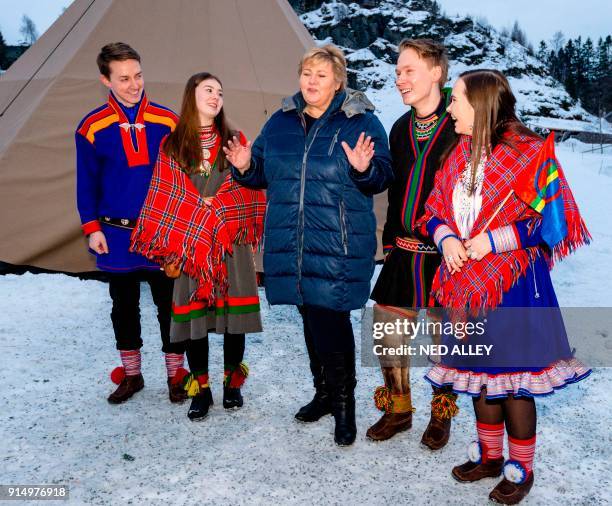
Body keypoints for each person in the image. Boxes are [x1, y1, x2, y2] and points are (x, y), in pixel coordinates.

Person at [418, 69, 591, 504]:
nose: (449, 106)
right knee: (479, 374)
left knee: (514, 381)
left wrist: (493, 240)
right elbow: (434, 208)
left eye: (455, 99)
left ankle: (522, 467)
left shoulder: (530, 155)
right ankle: (491, 457)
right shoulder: (456, 154)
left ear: (479, 105)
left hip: (513, 286)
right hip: (465, 288)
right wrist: (447, 238)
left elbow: (551, 222)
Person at [224, 44, 393, 446]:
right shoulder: (281, 122)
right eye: (306, 73)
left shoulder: (361, 121)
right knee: (310, 316)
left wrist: (365, 168)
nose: (312, 81)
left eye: (321, 74)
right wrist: (246, 165)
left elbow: (383, 175)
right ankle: (323, 393)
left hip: (337, 239)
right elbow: (262, 173)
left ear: (338, 80)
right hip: (292, 238)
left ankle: (344, 404)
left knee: (330, 319)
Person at [135, 72, 263, 421]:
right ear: (191, 94)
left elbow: (249, 187)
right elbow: (164, 197)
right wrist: (196, 210)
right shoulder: (173, 145)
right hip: (191, 245)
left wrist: (218, 206)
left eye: (220, 91)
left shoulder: (234, 139)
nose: (216, 96)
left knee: (234, 319)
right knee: (196, 321)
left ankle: (232, 384)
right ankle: (201, 390)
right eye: (208, 89)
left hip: (228, 242)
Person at [75, 42, 187, 404]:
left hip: (160, 232)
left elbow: (182, 178)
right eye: (123, 78)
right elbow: (86, 181)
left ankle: (175, 376)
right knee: (123, 306)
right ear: (105, 80)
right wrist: (92, 228)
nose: (134, 84)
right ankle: (132, 376)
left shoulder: (168, 120)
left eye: (138, 75)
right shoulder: (91, 127)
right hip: (115, 233)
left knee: (169, 304)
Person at [367, 39, 460, 446]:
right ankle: (398, 409)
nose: (399, 79)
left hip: (446, 255)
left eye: (408, 71)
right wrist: (388, 244)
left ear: (436, 73)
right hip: (402, 251)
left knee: (447, 341)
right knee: (387, 336)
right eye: (397, 72)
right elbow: (396, 192)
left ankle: (442, 416)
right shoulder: (400, 128)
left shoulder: (461, 126)